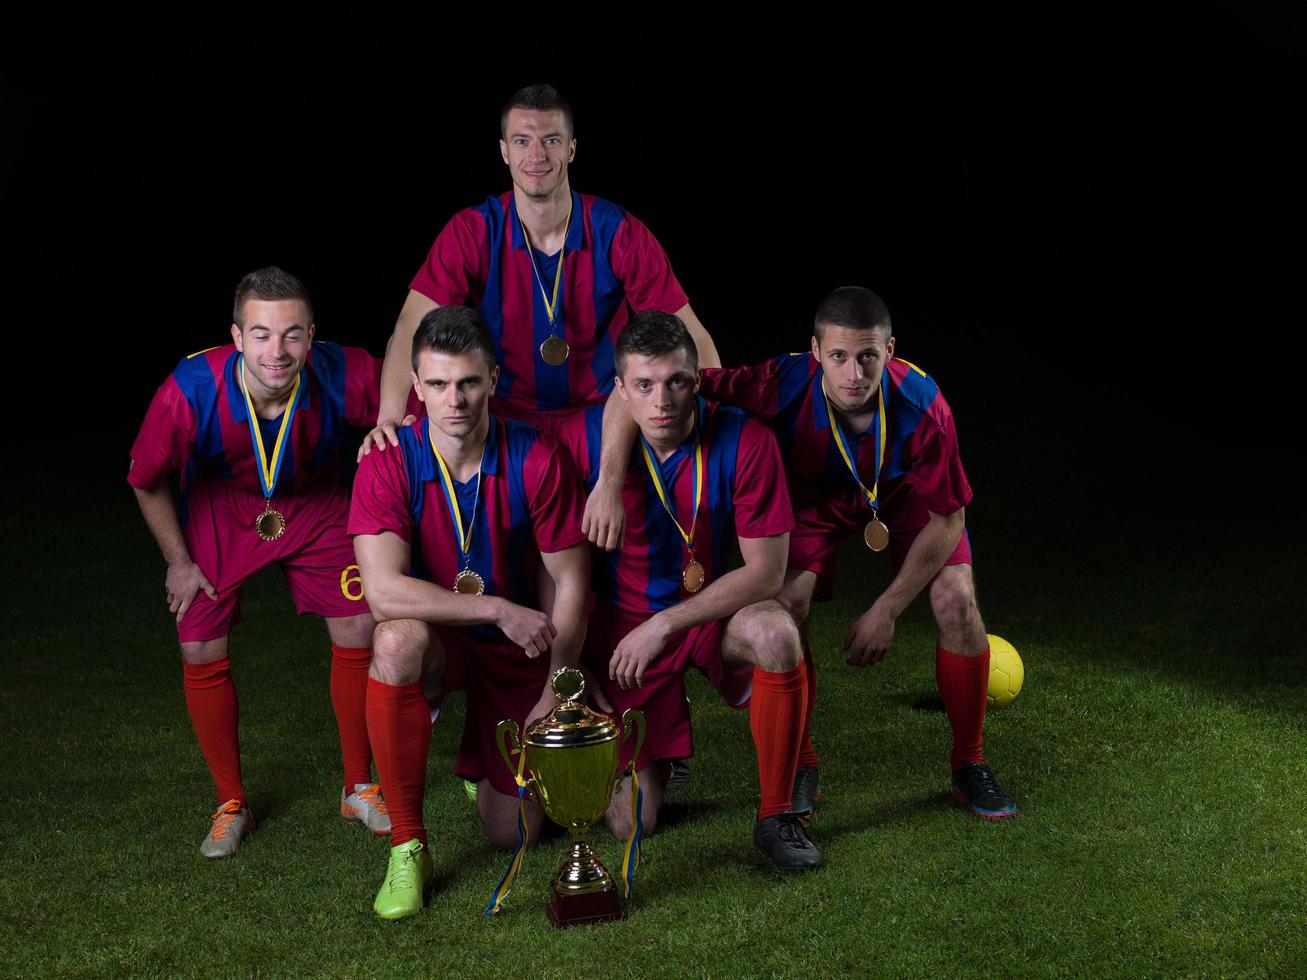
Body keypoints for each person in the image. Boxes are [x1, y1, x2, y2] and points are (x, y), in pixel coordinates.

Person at [694, 286, 1017, 820]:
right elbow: (691, 385)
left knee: (957, 600)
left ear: (889, 352)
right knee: (784, 609)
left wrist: (886, 608)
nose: (853, 374)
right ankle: (801, 762)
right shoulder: (779, 383)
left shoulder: (923, 403)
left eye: (868, 356)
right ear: (815, 352)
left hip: (905, 497)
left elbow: (949, 517)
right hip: (813, 501)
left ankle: (969, 763)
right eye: (838, 356)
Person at [360, 82, 721, 551]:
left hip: (600, 415)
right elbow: (410, 328)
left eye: (550, 140)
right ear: (504, 152)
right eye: (522, 141)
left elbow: (689, 333)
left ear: (571, 149)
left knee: (668, 435)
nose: (537, 154)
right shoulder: (472, 230)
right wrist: (389, 416)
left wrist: (714, 412)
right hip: (503, 415)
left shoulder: (617, 230)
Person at [128, 267, 389, 859]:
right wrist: (177, 562)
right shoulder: (190, 387)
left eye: (293, 335)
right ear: (237, 336)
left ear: (312, 335)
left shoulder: (339, 370)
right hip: (223, 505)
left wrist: (387, 433)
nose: (278, 351)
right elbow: (145, 480)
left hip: (316, 501)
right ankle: (230, 802)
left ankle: (357, 785)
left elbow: (413, 396)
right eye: (263, 335)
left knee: (359, 624)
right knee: (198, 644)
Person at [349, 306, 595, 919]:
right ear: (415, 386)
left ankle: (478, 762)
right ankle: (408, 845)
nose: (453, 400)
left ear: (494, 378)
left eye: (467, 382)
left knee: (514, 833)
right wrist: (496, 607)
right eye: (436, 385)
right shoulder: (387, 461)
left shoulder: (537, 457)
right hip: (448, 641)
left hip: (522, 651)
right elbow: (382, 593)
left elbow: (570, 584)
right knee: (395, 641)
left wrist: (555, 689)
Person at [555, 312, 821, 872]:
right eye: (645, 386)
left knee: (776, 630)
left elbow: (766, 573)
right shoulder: (581, 443)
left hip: (700, 614)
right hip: (621, 627)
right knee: (633, 823)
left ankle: (777, 814)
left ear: (697, 380)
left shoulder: (746, 440)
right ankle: (659, 751)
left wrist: (667, 624)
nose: (663, 401)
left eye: (677, 381)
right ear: (620, 391)